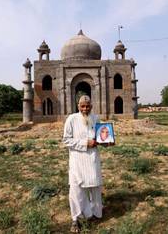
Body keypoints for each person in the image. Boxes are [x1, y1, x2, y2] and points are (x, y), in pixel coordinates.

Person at [63, 95, 114, 233]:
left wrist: (107, 142)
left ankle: (94, 214)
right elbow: (66, 140)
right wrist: (85, 143)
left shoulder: (96, 118)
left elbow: (100, 137)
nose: (85, 109)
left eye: (87, 106)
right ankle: (76, 219)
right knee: (76, 190)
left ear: (91, 106)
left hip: (92, 160)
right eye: (82, 106)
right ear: (78, 106)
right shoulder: (71, 119)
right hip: (77, 161)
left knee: (95, 187)